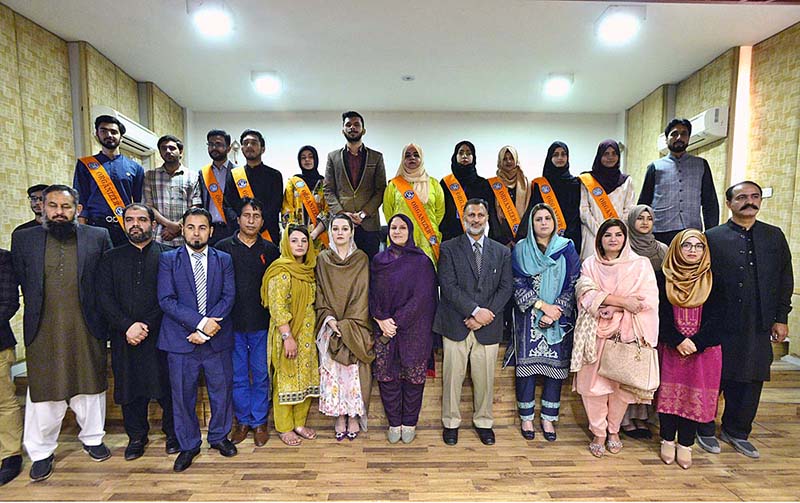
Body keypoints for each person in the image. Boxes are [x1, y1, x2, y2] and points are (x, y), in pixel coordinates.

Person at [11, 185, 113, 481]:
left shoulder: (97, 237)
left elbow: (104, 282)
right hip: (44, 327)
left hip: (86, 325)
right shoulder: (23, 238)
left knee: (90, 387)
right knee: (45, 392)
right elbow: (22, 279)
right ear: (42, 208)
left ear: (77, 210)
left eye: (65, 207)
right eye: (52, 206)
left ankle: (93, 438)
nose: (58, 212)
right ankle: (41, 452)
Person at [695, 181, 793, 459]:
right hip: (718, 321)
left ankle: (737, 431)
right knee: (715, 375)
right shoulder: (711, 237)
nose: (749, 202)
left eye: (754, 197)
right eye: (741, 197)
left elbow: (785, 277)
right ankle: (703, 427)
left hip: (759, 321)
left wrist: (781, 317)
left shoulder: (774, 236)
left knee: (752, 376)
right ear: (729, 204)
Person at [95, 204, 178, 461]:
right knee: (130, 388)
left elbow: (171, 296)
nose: (135, 224)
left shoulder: (168, 255)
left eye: (142, 220)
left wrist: (146, 325)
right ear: (123, 224)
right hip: (124, 336)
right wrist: (127, 325)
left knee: (166, 386)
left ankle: (173, 434)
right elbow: (104, 297)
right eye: (129, 219)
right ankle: (137, 437)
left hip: (160, 334)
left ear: (153, 225)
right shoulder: (110, 258)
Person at [157, 207, 237, 472]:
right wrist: (200, 324)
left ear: (211, 231)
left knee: (222, 392)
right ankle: (189, 444)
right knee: (182, 396)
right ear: (182, 228)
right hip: (181, 340)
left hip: (216, 340)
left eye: (202, 227)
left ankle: (218, 437)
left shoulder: (223, 259)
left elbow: (228, 297)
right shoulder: (169, 259)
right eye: (191, 227)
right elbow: (166, 300)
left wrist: (207, 330)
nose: (196, 232)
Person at [573, 218, 658, 458]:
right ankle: (598, 432)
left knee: (620, 388)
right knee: (593, 388)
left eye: (618, 235)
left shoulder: (639, 265)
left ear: (625, 238)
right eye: (607, 234)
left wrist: (616, 309)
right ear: (599, 239)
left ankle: (613, 431)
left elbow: (648, 301)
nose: (613, 239)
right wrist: (620, 302)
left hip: (627, 335)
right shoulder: (591, 263)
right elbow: (584, 294)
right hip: (594, 334)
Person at [435, 198, 513, 446]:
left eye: (480, 215)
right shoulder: (448, 248)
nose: (476, 219)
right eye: (471, 215)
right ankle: (450, 423)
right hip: (456, 323)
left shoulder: (501, 251)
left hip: (487, 326)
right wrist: (474, 310)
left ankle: (483, 422)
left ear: (487, 218)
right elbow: (447, 285)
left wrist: (484, 315)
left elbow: (506, 287)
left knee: (485, 380)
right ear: (463, 217)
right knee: (452, 379)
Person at [504, 203, 580, 442]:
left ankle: (548, 417)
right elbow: (517, 282)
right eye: (539, 219)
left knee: (555, 370)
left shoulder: (566, 248)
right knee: (527, 368)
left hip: (559, 316)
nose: (544, 223)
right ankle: (526, 417)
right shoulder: (521, 250)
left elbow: (574, 281)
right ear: (531, 223)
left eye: (548, 218)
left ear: (555, 223)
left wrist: (555, 310)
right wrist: (541, 306)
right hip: (529, 315)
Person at [215, 198, 280, 447]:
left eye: (256, 216)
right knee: (239, 376)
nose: (251, 220)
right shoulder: (222, 248)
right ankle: (242, 422)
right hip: (232, 324)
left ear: (263, 221)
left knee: (262, 375)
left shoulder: (271, 250)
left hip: (262, 323)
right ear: (238, 219)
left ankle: (260, 422)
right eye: (247, 215)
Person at [656, 230, 721, 469]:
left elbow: (720, 318)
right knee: (668, 395)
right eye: (687, 246)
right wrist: (677, 340)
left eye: (699, 246)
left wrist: (697, 342)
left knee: (694, 395)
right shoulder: (662, 276)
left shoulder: (714, 278)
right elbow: (658, 314)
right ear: (676, 249)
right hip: (671, 347)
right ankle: (666, 439)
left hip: (703, 352)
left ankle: (685, 444)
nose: (693, 251)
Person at [370, 214, 438, 444]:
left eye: (402, 228)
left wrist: (395, 322)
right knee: (387, 378)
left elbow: (423, 298)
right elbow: (371, 293)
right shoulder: (379, 261)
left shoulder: (422, 262)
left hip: (414, 330)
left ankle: (409, 423)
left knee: (413, 380)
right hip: (384, 330)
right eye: (393, 227)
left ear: (410, 231)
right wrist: (381, 319)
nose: (397, 231)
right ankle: (394, 423)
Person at [315, 214, 375, 440]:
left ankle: (353, 416)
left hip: (355, 326)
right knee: (334, 375)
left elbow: (363, 293)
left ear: (352, 232)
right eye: (335, 228)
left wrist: (349, 325)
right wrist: (330, 320)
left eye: (344, 228)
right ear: (330, 232)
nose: (340, 232)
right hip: (331, 326)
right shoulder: (322, 259)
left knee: (353, 376)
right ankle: (339, 416)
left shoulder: (361, 258)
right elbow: (320, 291)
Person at [261, 225, 320, 446]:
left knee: (305, 379)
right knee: (285, 380)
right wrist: (288, 337)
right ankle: (284, 427)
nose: (300, 245)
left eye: (304, 241)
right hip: (288, 335)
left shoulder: (309, 269)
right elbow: (277, 307)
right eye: (294, 240)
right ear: (286, 243)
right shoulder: (281, 270)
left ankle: (299, 423)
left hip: (307, 336)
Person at [619, 204, 668, 439]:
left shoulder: (661, 249)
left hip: (652, 313)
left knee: (646, 365)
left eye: (649, 218)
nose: (645, 222)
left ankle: (643, 417)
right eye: (640, 218)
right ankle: (626, 419)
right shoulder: (624, 248)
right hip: (627, 311)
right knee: (628, 365)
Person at [638, 118, 719, 245]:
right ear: (666, 139)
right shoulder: (655, 167)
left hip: (691, 232)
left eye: (683, 134)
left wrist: (712, 234)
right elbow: (644, 203)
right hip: (660, 232)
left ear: (688, 138)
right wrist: (641, 233)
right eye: (674, 134)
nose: (679, 137)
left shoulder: (701, 165)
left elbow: (710, 203)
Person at [73, 114, 144, 246]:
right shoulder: (85, 164)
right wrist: (82, 229)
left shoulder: (136, 168)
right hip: (95, 225)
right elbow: (80, 198)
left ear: (121, 138)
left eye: (114, 132)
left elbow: (139, 202)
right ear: (97, 135)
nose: (109, 135)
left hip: (124, 227)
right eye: (104, 131)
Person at [323, 111, 386, 259]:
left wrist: (363, 214)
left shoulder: (376, 157)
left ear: (363, 130)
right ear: (343, 130)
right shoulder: (333, 157)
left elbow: (381, 189)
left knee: (369, 268)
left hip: (369, 225)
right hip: (341, 225)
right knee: (341, 266)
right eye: (348, 125)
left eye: (356, 124)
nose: (352, 127)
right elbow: (328, 189)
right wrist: (342, 214)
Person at [383, 143, 445, 265]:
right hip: (401, 240)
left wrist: (423, 226)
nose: (412, 158)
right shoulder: (394, 185)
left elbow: (440, 211)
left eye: (416, 155)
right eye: (408, 155)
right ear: (403, 160)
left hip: (427, 239)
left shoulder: (434, 184)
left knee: (426, 279)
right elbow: (388, 212)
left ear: (421, 159)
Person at [578, 140, 636, 260]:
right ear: (599, 156)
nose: (610, 157)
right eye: (606, 153)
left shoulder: (626, 181)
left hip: (617, 237)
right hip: (592, 235)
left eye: (614, 153)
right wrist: (601, 232)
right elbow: (584, 211)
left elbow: (628, 209)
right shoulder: (587, 180)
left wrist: (614, 232)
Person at [224, 129, 283, 245]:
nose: (249, 146)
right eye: (245, 143)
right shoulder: (234, 175)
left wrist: (256, 225)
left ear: (263, 149)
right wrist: (243, 226)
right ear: (241, 148)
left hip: (267, 235)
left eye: (254, 143)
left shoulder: (274, 175)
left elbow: (275, 206)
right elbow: (227, 205)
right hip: (239, 237)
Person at [521, 141, 581, 252]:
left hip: (571, 235)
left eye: (563, 154)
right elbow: (535, 211)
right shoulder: (540, 184)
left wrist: (567, 234)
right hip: (544, 237)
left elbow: (577, 212)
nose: (560, 157)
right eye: (556, 154)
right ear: (550, 158)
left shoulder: (575, 183)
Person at [143, 135, 201, 246]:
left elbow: (195, 206)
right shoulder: (150, 176)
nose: (168, 151)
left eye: (172, 148)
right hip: (159, 237)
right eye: (163, 148)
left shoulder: (193, 176)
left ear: (180, 151)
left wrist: (178, 226)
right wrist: (170, 225)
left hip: (185, 238)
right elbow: (148, 206)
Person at [439, 141, 495, 243]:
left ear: (474, 157)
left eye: (469, 153)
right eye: (461, 153)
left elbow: (490, 212)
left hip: (475, 233)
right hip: (449, 235)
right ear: (455, 156)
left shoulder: (483, 183)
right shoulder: (446, 182)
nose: (464, 156)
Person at [0, 248, 21, 485]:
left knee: (4, 402)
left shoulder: (2, 258)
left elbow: (7, 303)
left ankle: (10, 456)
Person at [283, 145, 330, 249]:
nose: (307, 160)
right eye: (303, 157)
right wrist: (296, 235)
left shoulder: (325, 183)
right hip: (296, 240)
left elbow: (328, 211)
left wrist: (314, 233)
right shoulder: (293, 182)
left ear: (316, 159)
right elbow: (286, 210)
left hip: (319, 237)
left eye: (310, 156)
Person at [198, 129, 238, 246]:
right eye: (210, 144)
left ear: (228, 148)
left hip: (231, 228)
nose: (214, 148)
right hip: (209, 229)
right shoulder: (203, 173)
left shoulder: (238, 173)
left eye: (218, 144)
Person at [488, 145, 530, 247]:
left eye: (511, 158)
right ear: (500, 161)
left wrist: (519, 237)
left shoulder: (526, 184)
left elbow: (529, 211)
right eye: (505, 159)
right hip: (498, 238)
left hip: (523, 238)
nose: (508, 161)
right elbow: (491, 213)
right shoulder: (491, 184)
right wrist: (502, 240)